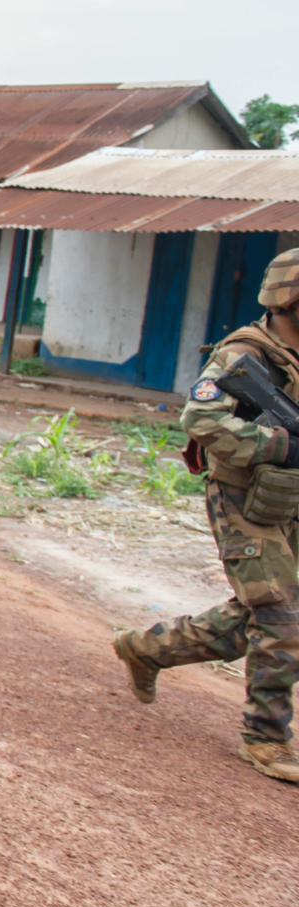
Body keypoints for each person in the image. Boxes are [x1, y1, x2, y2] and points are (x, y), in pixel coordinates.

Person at [115, 248, 299, 783]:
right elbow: (200, 417)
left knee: (267, 614)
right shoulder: (246, 356)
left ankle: (147, 648)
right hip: (244, 497)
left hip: (288, 499)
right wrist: (277, 445)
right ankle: (265, 739)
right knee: (281, 616)